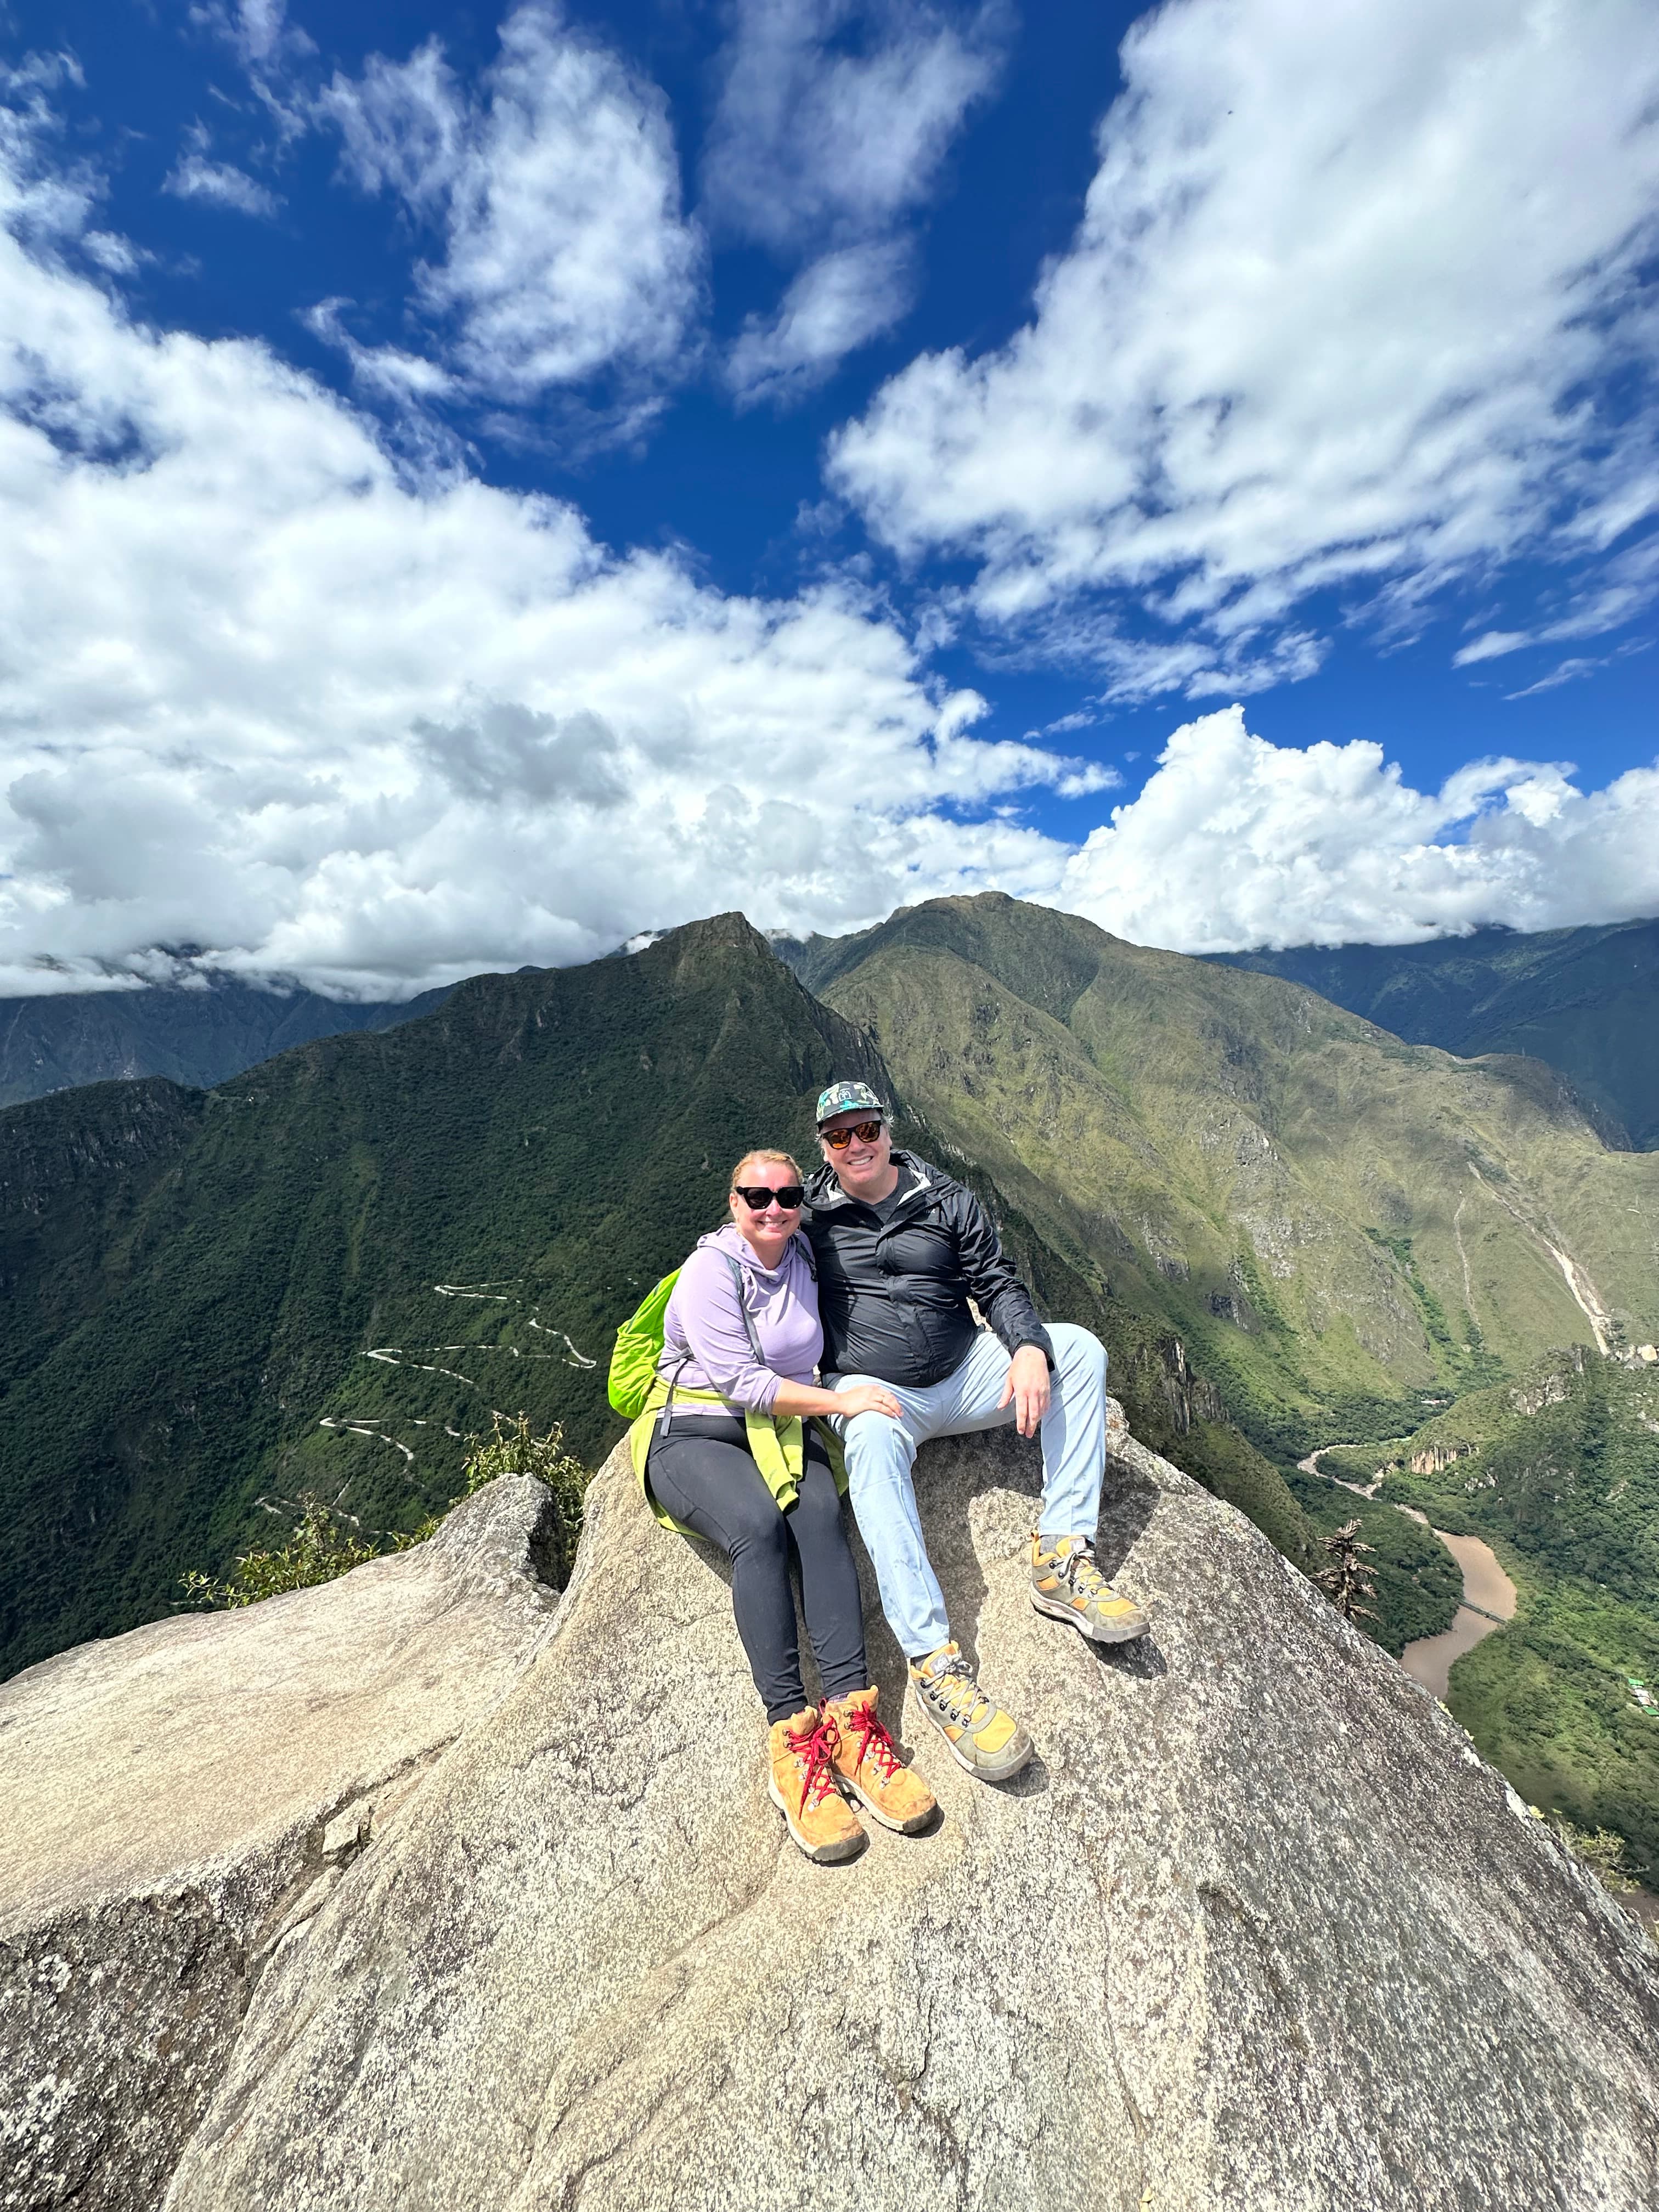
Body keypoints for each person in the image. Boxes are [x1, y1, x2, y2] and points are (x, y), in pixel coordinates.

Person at [804, 1082, 1149, 1785]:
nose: (856, 1144)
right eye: (839, 1137)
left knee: (1077, 1349)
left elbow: (995, 1281)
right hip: (878, 1391)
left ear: (886, 1129)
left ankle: (1062, 1556)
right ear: (824, 1147)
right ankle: (935, 1664)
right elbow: (751, 1255)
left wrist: (1024, 1345)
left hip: (964, 1369)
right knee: (867, 1444)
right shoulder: (809, 1217)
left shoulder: (945, 1197)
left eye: (866, 1128)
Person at [631, 1147, 936, 1864]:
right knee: (758, 1529)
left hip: (781, 1429)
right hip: (694, 1432)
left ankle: (854, 1728)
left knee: (823, 1520)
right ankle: (793, 1742)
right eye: (756, 1197)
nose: (773, 1209)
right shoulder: (713, 1270)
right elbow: (744, 1383)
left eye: (787, 1197)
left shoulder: (802, 1249)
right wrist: (841, 1400)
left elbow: (880, 1232)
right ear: (733, 1202)